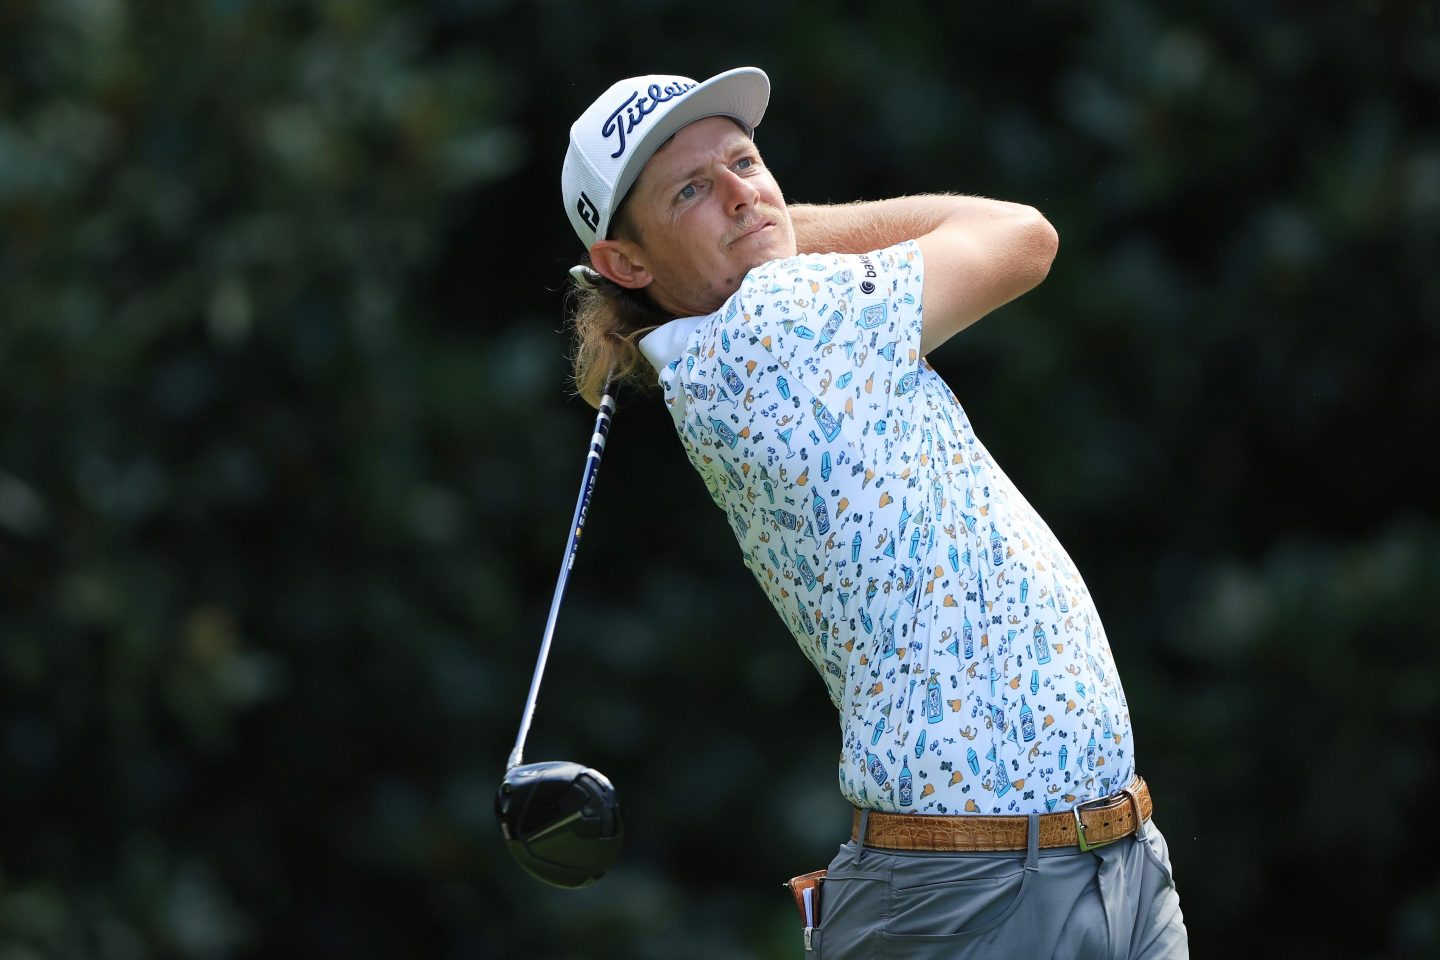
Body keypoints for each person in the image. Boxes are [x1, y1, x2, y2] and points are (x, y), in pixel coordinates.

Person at [560, 66, 1188, 959]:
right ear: (627, 264)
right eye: (690, 191)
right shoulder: (777, 323)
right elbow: (1024, 237)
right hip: (978, 893)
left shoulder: (723, 344)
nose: (740, 193)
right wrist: (778, 225)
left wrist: (747, 226)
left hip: (1097, 859)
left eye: (745, 162)